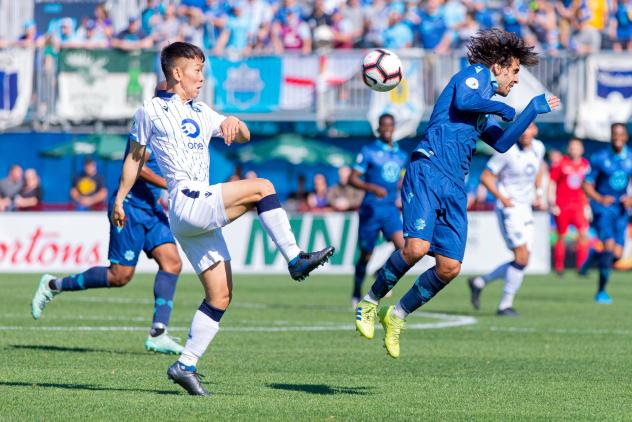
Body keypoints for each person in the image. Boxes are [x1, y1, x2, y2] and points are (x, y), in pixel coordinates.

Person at [110, 42, 334, 395]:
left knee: (220, 296)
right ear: (177, 72)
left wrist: (235, 122)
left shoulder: (202, 112)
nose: (202, 77)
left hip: (193, 214)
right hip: (185, 199)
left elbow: (243, 134)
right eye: (196, 70)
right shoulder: (149, 111)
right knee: (263, 187)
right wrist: (120, 199)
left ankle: (185, 365)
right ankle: (295, 258)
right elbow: (134, 159)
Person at [354, 29, 559, 358]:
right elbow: (464, 101)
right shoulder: (474, 75)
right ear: (498, 67)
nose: (517, 80)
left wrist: (531, 111)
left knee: (450, 267)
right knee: (417, 248)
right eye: (516, 71)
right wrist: (503, 109)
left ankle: (397, 315)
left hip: (454, 185)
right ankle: (368, 303)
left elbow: (503, 143)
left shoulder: (484, 109)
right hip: (428, 169)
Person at [31, 122, 185, 355]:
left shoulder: (181, 127)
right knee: (119, 276)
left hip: (152, 209)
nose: (199, 84)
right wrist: (169, 185)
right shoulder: (151, 123)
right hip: (130, 207)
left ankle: (158, 333)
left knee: (172, 263)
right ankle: (53, 285)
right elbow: (138, 166)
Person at [467, 123, 546, 316]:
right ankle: (504, 306)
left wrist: (538, 192)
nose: (525, 132)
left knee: (523, 260)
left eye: (529, 128)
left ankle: (480, 282)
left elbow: (539, 169)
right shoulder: (506, 150)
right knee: (522, 257)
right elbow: (486, 177)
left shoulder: (539, 147)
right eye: (522, 128)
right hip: (509, 209)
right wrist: (502, 198)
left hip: (526, 209)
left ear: (535, 131)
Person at [349, 113, 407, 308]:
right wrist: (372, 188)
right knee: (366, 254)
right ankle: (356, 291)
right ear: (379, 129)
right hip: (371, 209)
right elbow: (353, 178)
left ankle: (381, 272)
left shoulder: (401, 154)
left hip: (390, 209)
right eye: (384, 125)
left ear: (394, 127)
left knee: (404, 248)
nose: (388, 128)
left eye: (391, 125)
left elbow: (399, 179)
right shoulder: (369, 151)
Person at [581, 123, 632, 304]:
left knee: (617, 255)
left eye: (621, 134)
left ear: (626, 137)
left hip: (621, 211)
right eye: (614, 134)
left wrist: (630, 199)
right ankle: (601, 292)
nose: (617, 137)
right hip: (603, 211)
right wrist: (600, 199)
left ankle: (594, 256)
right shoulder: (600, 158)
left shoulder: (630, 158)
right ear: (610, 136)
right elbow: (586, 184)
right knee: (609, 248)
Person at [549, 138, 591, 275]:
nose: (574, 150)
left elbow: (588, 186)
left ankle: (581, 267)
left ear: (582, 150)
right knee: (561, 236)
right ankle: (559, 267)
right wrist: (552, 202)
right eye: (572, 147)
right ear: (568, 149)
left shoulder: (585, 165)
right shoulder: (561, 163)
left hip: (579, 205)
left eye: (577, 147)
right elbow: (552, 182)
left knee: (583, 234)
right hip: (563, 205)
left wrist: (587, 205)